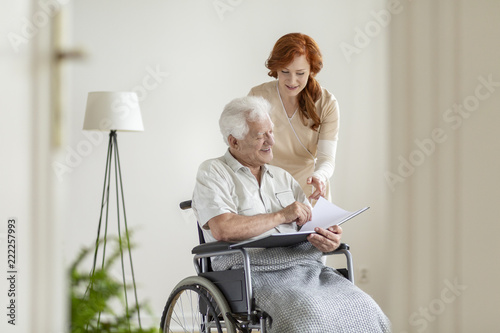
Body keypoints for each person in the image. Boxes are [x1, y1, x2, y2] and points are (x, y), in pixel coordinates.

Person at [192, 96, 390, 333]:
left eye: (271, 132)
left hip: (304, 267)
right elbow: (223, 228)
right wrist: (280, 215)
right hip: (250, 270)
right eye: (260, 136)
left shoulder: (282, 177)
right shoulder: (214, 172)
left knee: (366, 308)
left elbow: (309, 226)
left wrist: (328, 238)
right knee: (307, 316)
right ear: (234, 142)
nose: (271, 141)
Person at [249, 32, 339, 202]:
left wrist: (319, 176)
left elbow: (326, 159)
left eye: (300, 73)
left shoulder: (326, 103)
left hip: (310, 189)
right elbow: (248, 151)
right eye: (285, 71)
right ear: (275, 68)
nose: (292, 81)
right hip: (268, 190)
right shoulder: (258, 96)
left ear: (311, 71)